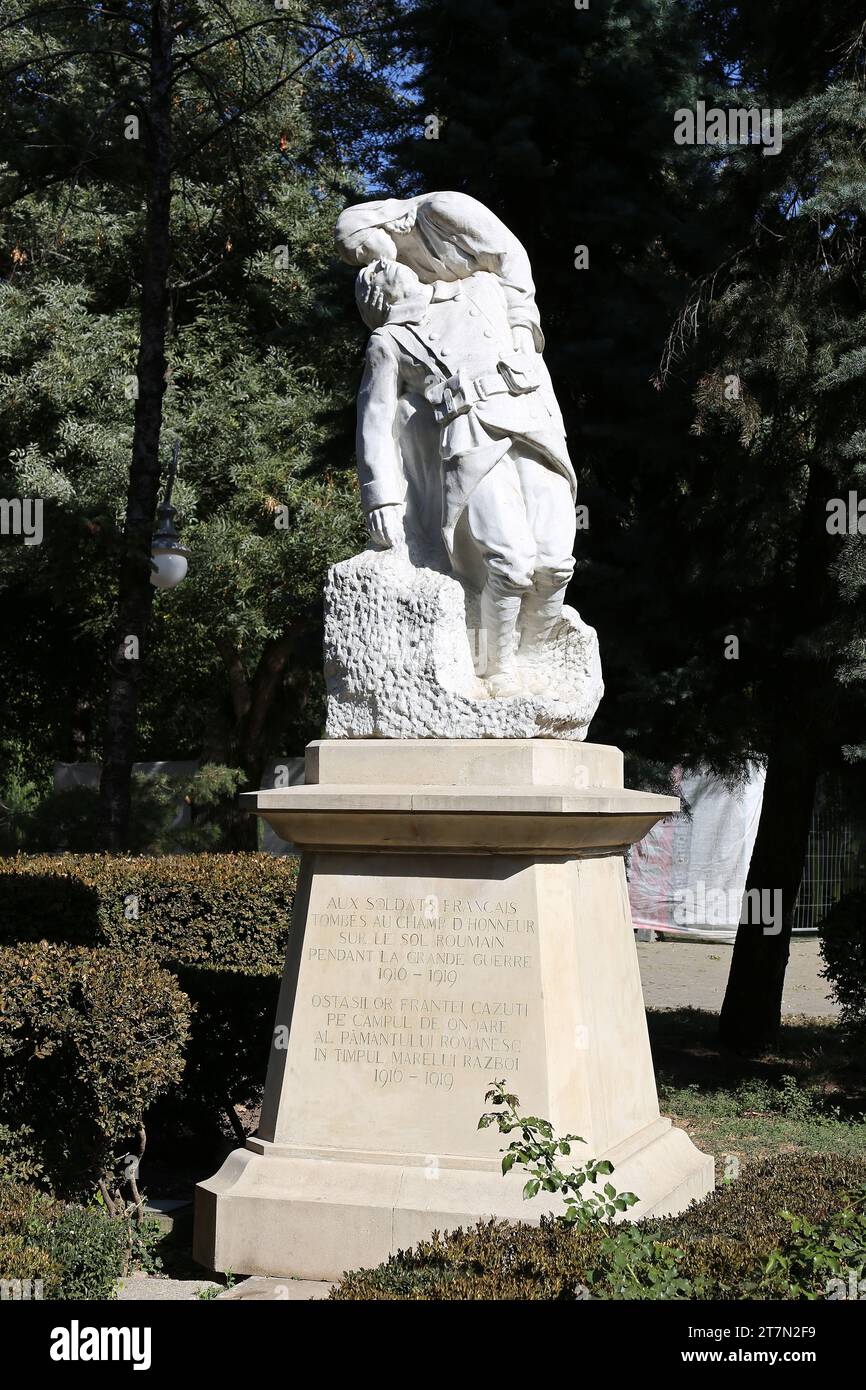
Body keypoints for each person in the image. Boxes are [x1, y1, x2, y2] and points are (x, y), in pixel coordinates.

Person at [354, 257, 577, 696]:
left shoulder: (480, 286)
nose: (387, 261)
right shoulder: (388, 340)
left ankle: (535, 660)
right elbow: (375, 416)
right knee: (511, 564)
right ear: (376, 297)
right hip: (472, 439)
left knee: (555, 565)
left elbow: (505, 255)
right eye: (375, 270)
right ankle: (499, 670)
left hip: (534, 425)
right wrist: (380, 496)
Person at [336, 192, 543, 358]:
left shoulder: (439, 208)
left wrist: (521, 323)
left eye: (362, 249)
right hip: (465, 347)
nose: (369, 262)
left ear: (377, 224)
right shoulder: (399, 270)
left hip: (505, 322)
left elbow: (509, 256)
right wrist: (382, 320)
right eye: (361, 261)